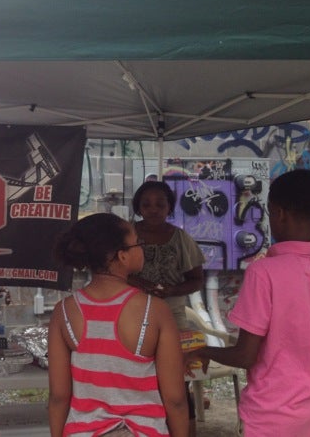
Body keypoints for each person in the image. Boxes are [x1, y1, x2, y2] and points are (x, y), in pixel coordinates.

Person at [188, 169, 310, 436]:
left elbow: (246, 356)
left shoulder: (264, 271)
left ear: (278, 213)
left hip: (271, 417)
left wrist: (204, 351)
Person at [48, 213, 189, 437]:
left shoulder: (63, 312)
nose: (142, 247)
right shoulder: (155, 310)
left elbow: (58, 397)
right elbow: (176, 400)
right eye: (138, 242)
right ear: (122, 256)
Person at [128, 180, 205, 435]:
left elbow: (197, 279)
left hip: (173, 316)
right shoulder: (126, 235)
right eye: (147, 204)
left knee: (178, 380)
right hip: (132, 314)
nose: (153, 209)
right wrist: (138, 283)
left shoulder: (180, 238)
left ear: (169, 207)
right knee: (137, 377)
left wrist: (171, 290)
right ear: (138, 207)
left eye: (160, 204)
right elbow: (110, 271)